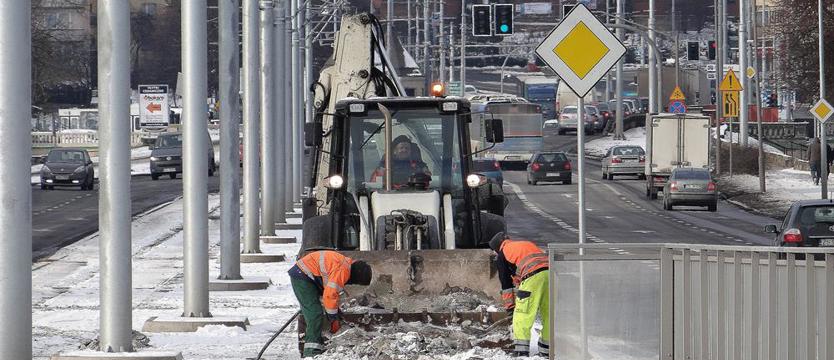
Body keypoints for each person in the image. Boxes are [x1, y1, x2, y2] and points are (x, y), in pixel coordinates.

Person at [288, 250, 373, 357]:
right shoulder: (343, 271)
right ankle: (310, 352)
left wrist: (336, 312)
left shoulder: (346, 264)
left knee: (313, 310)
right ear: (356, 277)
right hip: (302, 276)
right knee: (314, 313)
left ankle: (317, 342)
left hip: (308, 275)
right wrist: (333, 319)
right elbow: (329, 295)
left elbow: (332, 294)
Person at [489, 233, 550, 357]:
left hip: (532, 277)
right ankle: (546, 351)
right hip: (550, 274)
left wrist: (510, 308)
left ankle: (521, 352)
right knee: (548, 314)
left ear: (497, 247)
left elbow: (506, 284)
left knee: (522, 314)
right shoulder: (524, 244)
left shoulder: (503, 253)